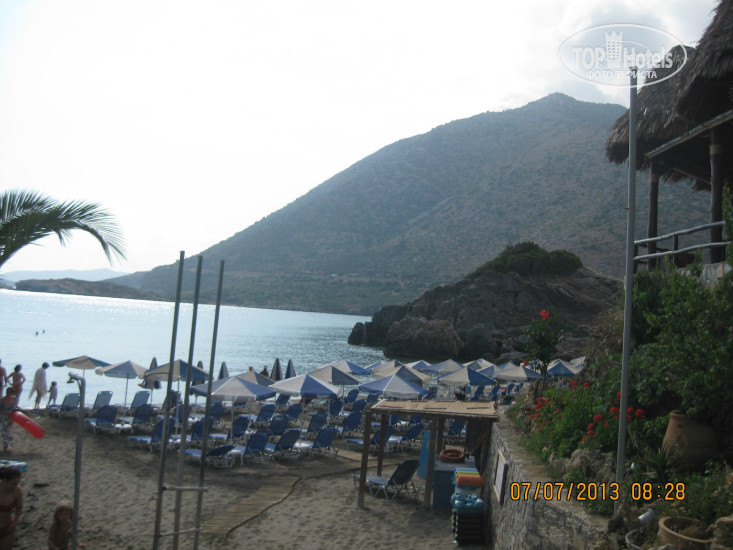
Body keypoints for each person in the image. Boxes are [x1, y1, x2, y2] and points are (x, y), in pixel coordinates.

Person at [0, 466, 23, 550]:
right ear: (4, 480)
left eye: (18, 483)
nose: (16, 486)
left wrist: (15, 522)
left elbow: (19, 507)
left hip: (7, 528)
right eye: (14, 483)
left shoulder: (17, 491)